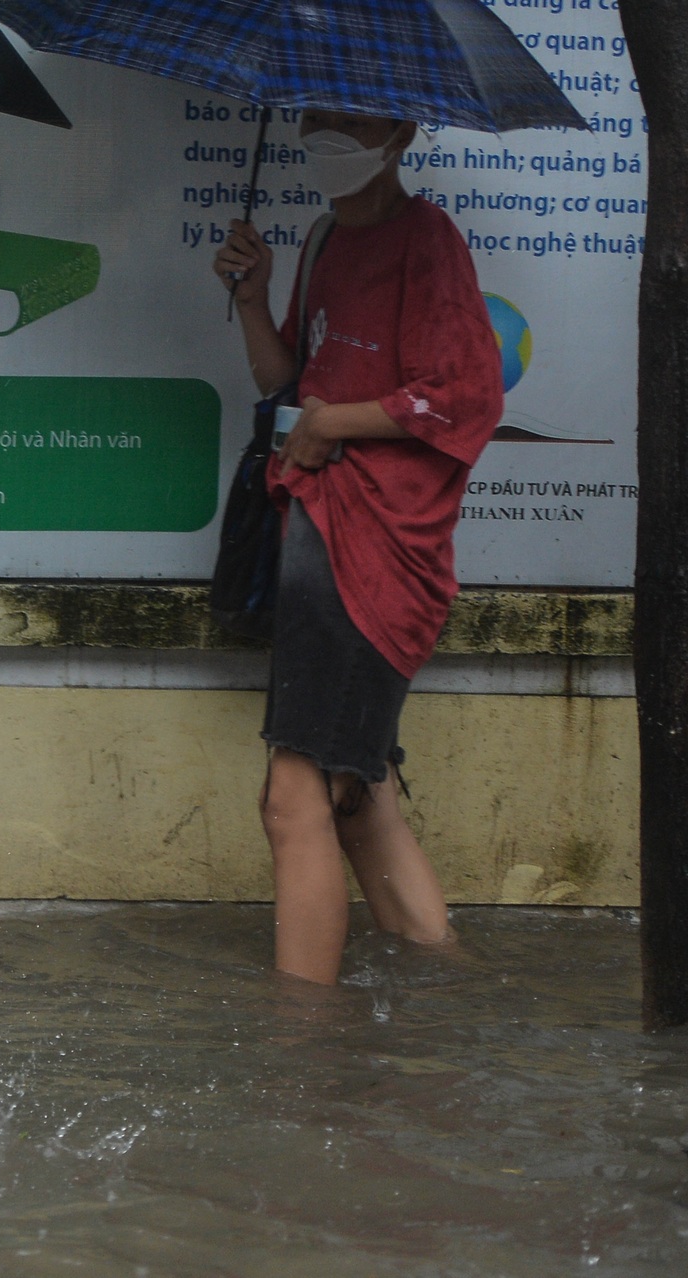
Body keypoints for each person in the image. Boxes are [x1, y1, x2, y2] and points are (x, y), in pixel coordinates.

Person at [211, 110, 504, 985]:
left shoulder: (429, 242)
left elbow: (463, 398)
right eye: (315, 115)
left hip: (376, 554)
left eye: (349, 118)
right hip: (318, 533)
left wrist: (333, 423)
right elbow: (288, 381)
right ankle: (440, 987)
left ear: (401, 133)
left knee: (291, 801)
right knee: (358, 796)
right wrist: (254, 297)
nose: (323, 131)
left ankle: (304, 1059)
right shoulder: (325, 236)